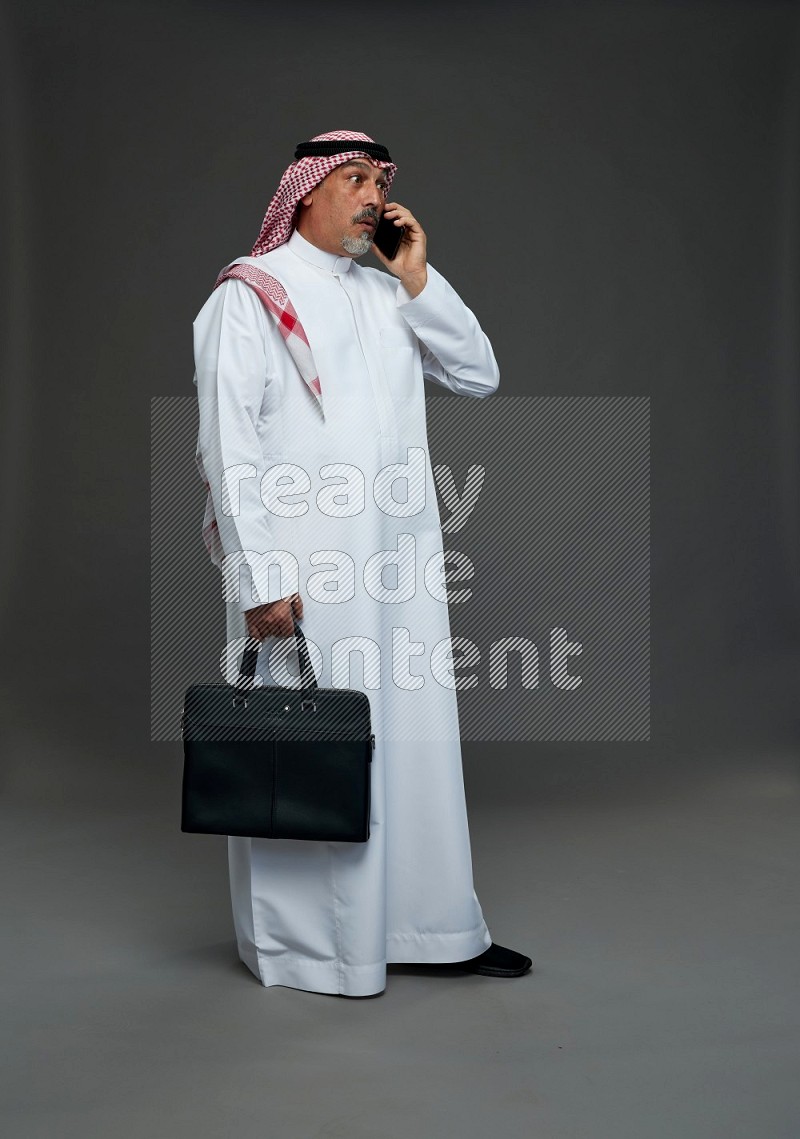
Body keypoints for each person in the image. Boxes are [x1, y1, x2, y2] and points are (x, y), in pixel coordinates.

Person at [191, 129, 532, 996]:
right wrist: (259, 580)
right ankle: (315, 952)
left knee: (411, 746)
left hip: (400, 565)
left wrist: (416, 276)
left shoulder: (390, 296)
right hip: (308, 572)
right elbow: (230, 445)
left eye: (380, 180)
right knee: (313, 747)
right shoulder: (252, 294)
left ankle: (431, 930)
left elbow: (480, 373)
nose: (373, 194)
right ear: (302, 193)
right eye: (353, 178)